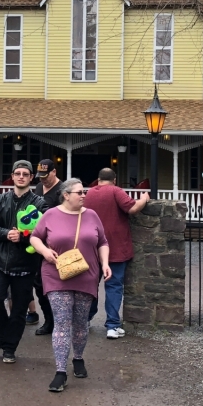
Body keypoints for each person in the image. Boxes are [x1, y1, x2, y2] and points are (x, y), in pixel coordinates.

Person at [30, 179, 111, 393]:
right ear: (66, 195)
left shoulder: (92, 215)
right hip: (56, 275)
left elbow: (102, 241)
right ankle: (60, 372)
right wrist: (45, 252)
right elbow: (35, 238)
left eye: (84, 192)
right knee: (62, 322)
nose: (83, 195)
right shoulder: (51, 214)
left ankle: (78, 358)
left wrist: (105, 264)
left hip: (87, 275)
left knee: (81, 322)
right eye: (79, 192)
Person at [0, 161, 47, 363]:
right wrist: (6, 233)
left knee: (19, 309)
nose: (21, 177)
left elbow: (44, 231)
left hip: (26, 264)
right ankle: (0, 338)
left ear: (31, 178)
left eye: (25, 174)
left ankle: (10, 348)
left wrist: (24, 238)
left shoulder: (39, 203)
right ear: (12, 176)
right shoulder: (0, 200)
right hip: (0, 261)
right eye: (18, 173)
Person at [83, 168, 148, 338]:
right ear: (115, 179)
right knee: (114, 286)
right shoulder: (115, 191)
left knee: (90, 286)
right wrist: (144, 199)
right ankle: (112, 325)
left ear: (98, 180)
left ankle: (86, 319)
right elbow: (132, 208)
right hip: (116, 247)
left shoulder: (88, 194)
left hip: (92, 247)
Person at [29, 159, 63, 334]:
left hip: (55, 243)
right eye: (40, 176)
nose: (42, 179)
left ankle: (60, 322)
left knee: (57, 286)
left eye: (46, 175)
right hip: (37, 242)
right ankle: (49, 321)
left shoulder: (61, 191)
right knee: (39, 285)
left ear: (54, 172)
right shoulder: (38, 188)